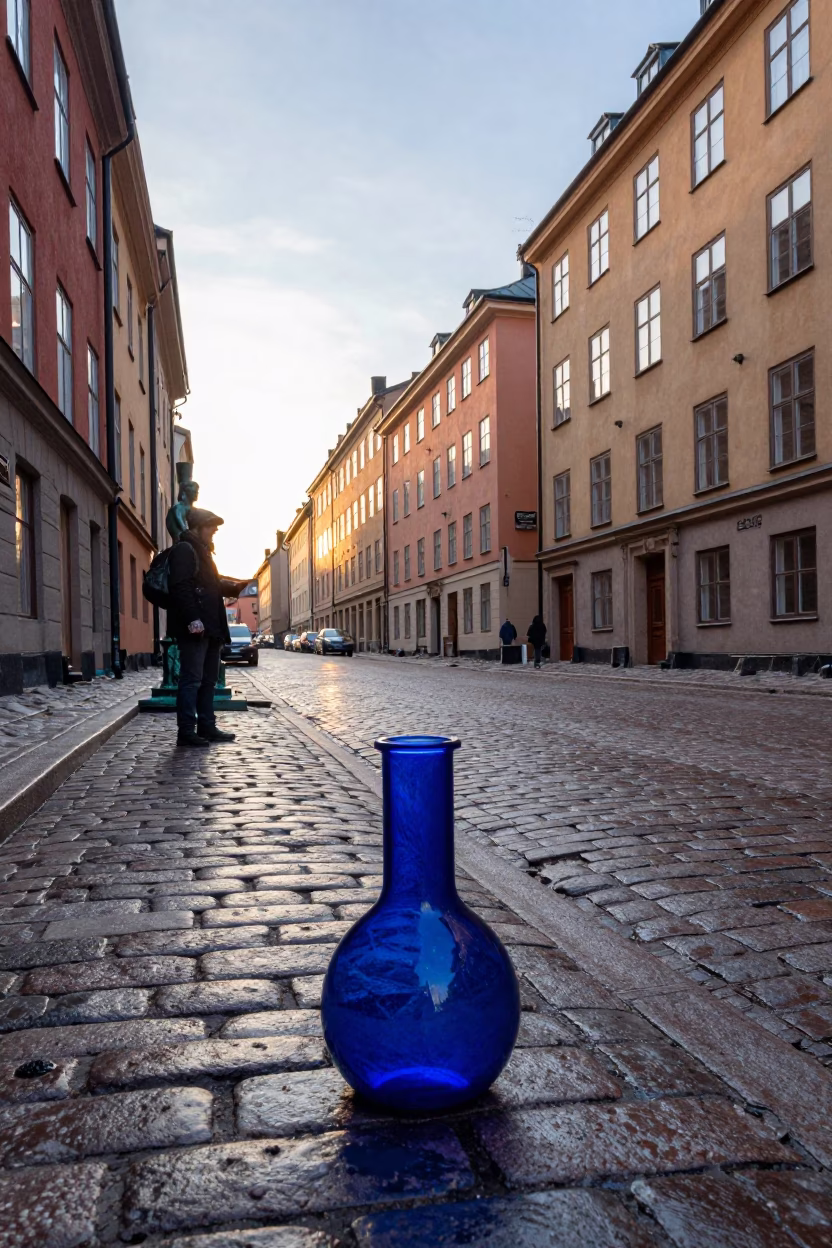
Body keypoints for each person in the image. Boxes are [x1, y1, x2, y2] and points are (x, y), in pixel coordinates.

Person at [167, 509, 250, 747]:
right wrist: (193, 619)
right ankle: (186, 731)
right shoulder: (185, 549)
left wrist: (231, 587)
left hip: (212, 628)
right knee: (191, 680)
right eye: (211, 527)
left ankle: (206, 725)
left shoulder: (204, 552)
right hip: (196, 628)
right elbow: (181, 586)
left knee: (208, 681)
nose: (214, 532)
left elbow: (207, 585)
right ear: (198, 527)